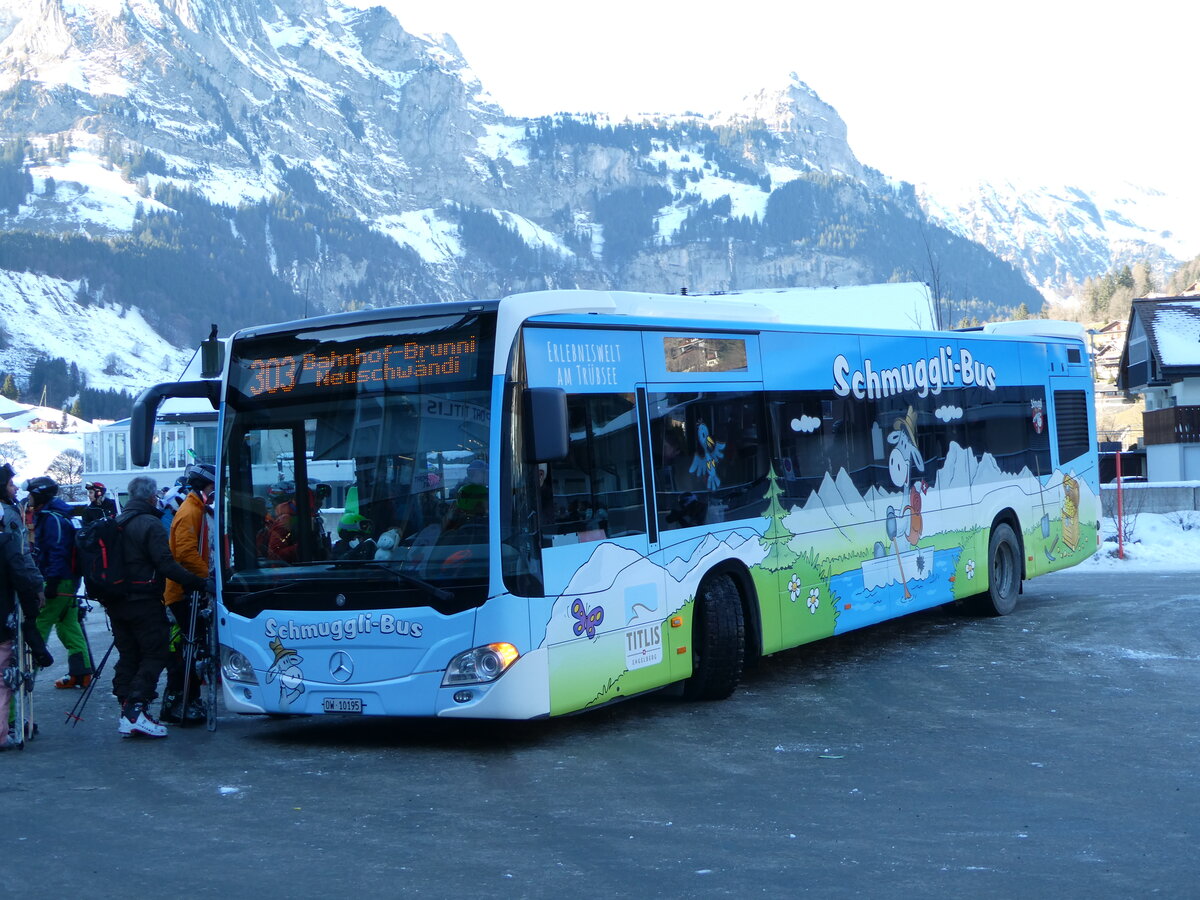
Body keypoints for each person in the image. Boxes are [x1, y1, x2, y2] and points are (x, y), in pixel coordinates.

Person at [108, 475, 208, 739]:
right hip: (144, 600)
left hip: (116, 601)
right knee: (156, 652)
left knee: (129, 655)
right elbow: (166, 564)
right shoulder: (149, 523)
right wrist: (198, 582)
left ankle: (127, 710)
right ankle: (136, 709)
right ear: (152, 496)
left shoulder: (117, 522)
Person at [24, 476, 93, 690]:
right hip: (69, 580)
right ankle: (81, 674)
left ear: (42, 495)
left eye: (32, 494)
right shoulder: (56, 515)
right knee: (68, 626)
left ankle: (25, 682)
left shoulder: (52, 519)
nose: (29, 498)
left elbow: (57, 552)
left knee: (38, 626)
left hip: (59, 580)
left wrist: (51, 582)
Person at [161, 463, 216, 723]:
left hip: (189, 589)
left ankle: (187, 700)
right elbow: (184, 553)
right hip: (183, 592)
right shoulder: (190, 511)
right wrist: (208, 577)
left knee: (192, 649)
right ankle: (178, 703)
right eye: (213, 487)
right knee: (187, 650)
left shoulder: (197, 508)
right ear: (205, 487)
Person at [0, 526, 53, 749]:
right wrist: (31, 608)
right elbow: (20, 575)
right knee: (2, 679)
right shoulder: (6, 542)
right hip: (1, 619)